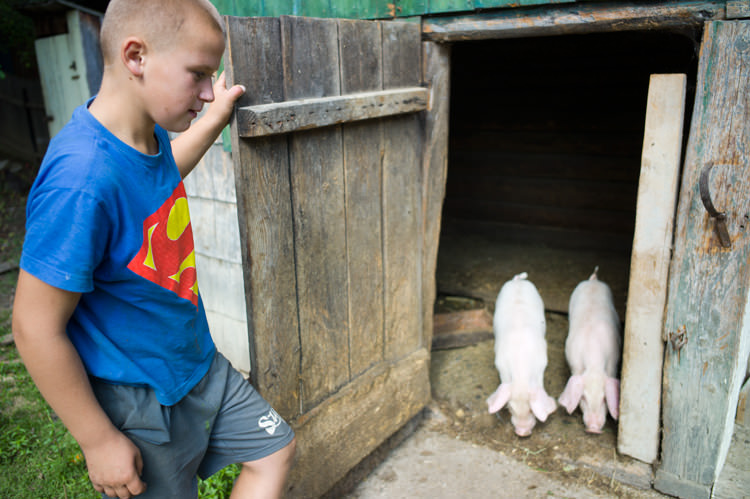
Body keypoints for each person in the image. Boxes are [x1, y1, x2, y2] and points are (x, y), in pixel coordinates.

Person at [11, 0, 296, 498]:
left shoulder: (147, 135)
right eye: (199, 74)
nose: (208, 93)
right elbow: (34, 327)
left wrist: (215, 121)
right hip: (137, 399)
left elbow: (154, 185)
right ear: (136, 57)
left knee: (272, 449)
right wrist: (97, 440)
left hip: (195, 362)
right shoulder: (81, 179)